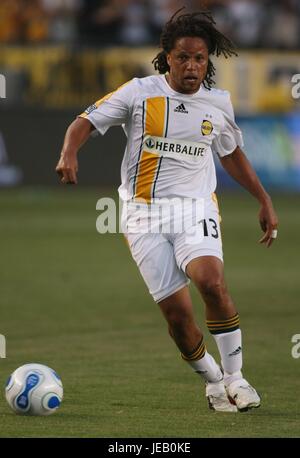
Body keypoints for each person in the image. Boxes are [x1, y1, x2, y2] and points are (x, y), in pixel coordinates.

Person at [56, 10, 278, 413]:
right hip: (143, 215)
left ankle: (236, 376)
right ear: (167, 57)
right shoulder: (140, 92)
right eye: (183, 57)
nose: (192, 66)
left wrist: (263, 199)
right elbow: (84, 121)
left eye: (199, 58)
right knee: (178, 319)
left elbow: (230, 154)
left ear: (207, 60)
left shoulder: (217, 103)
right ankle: (213, 381)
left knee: (210, 281)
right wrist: (70, 152)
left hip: (195, 208)